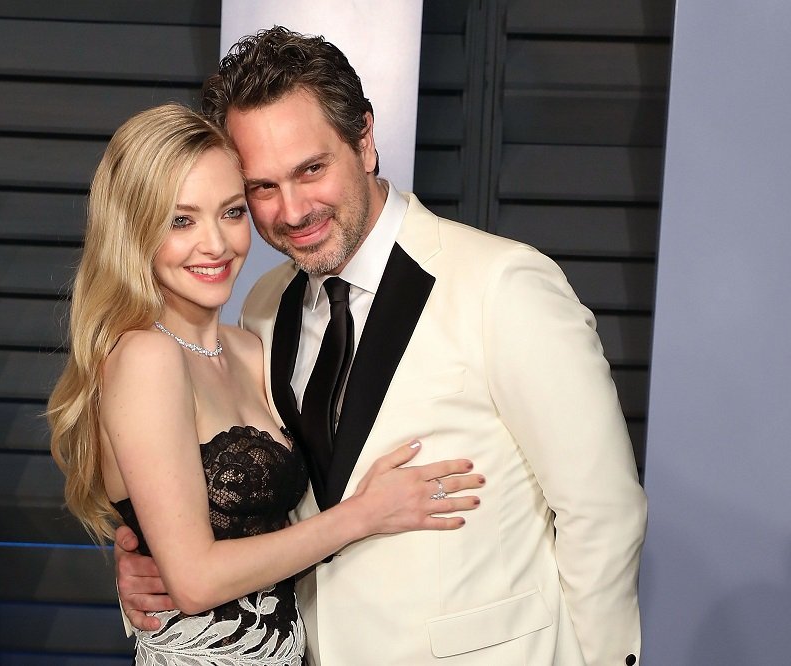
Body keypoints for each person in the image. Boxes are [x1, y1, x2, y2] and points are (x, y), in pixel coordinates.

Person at [114, 27, 649, 666]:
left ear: (365, 140)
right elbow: (237, 498)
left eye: (311, 169)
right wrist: (147, 566)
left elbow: (604, 512)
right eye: (262, 187)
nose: (292, 210)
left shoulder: (501, 284)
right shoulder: (263, 305)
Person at [47, 103, 484, 665]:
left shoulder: (250, 345)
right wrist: (363, 514)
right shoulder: (145, 357)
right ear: (134, 230)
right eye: (180, 221)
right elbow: (196, 582)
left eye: (231, 213)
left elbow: (268, 530)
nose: (216, 244)